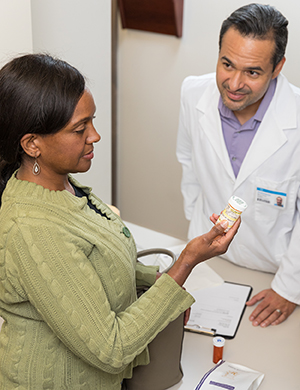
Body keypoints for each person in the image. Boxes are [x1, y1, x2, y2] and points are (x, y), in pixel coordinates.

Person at [0, 54, 239, 390]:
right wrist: (186, 262)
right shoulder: (34, 229)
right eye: (80, 129)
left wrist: (160, 284)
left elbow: (97, 262)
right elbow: (111, 349)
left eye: (92, 121)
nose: (95, 136)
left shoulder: (62, 186)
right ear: (32, 144)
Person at [177, 3, 299, 329]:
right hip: (209, 260)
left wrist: (289, 288)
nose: (234, 83)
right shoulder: (193, 93)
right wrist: (196, 221)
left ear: (277, 68)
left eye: (253, 72)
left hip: (274, 271)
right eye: (227, 64)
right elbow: (187, 161)